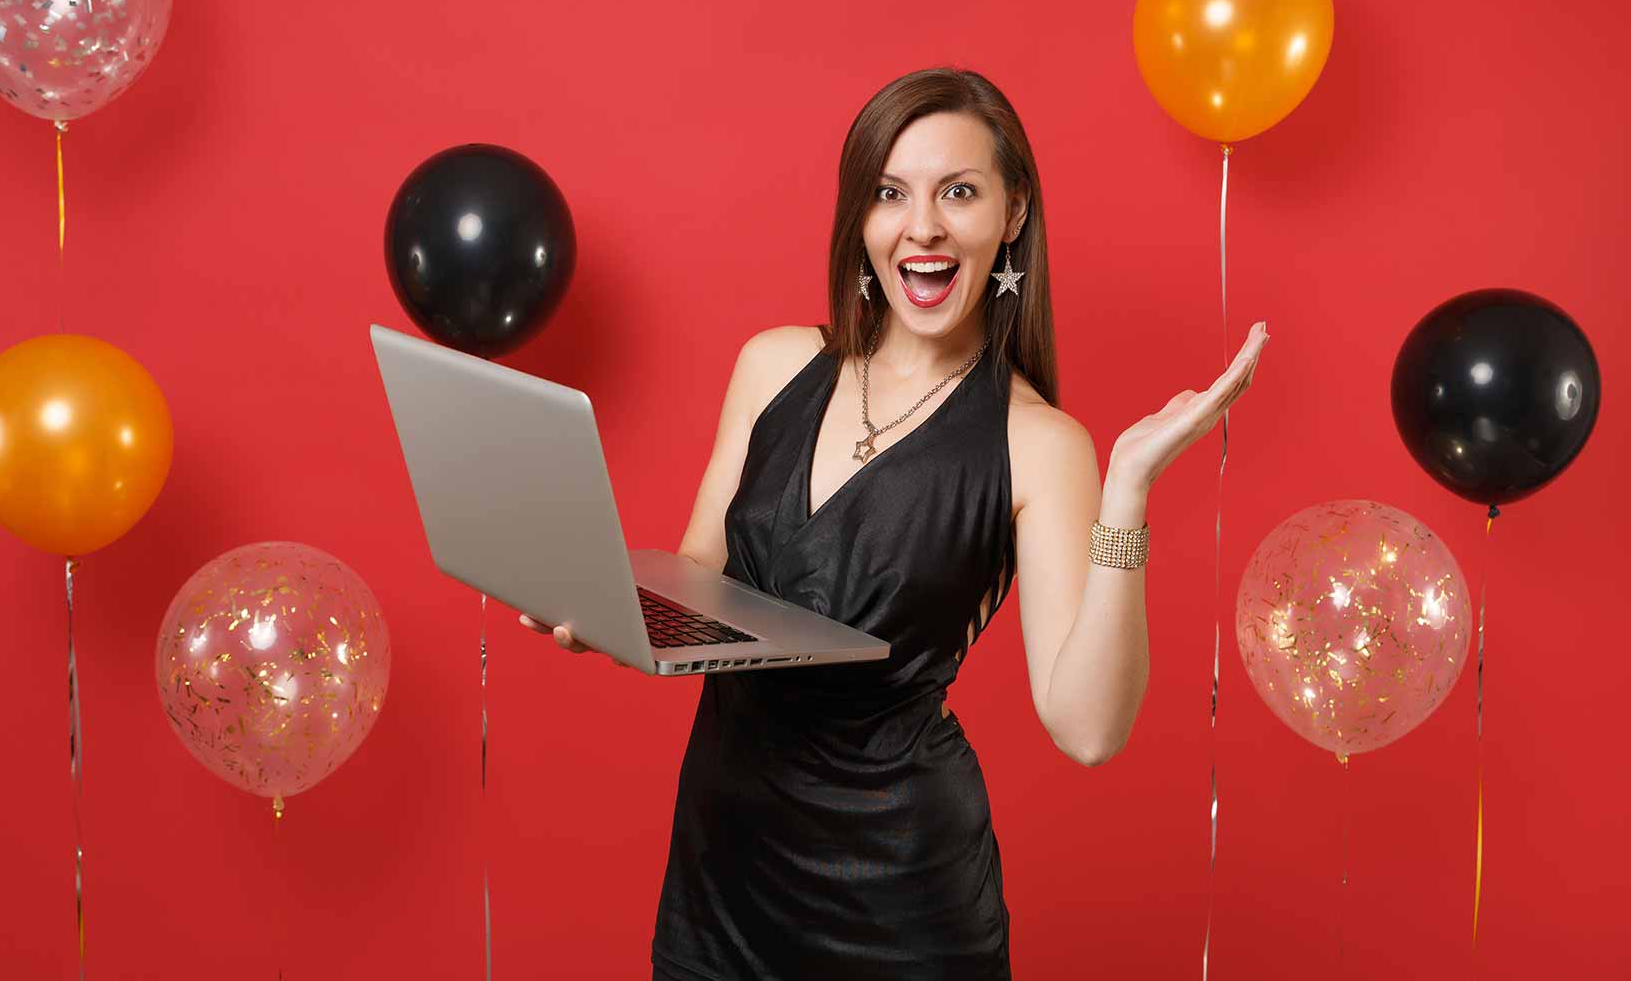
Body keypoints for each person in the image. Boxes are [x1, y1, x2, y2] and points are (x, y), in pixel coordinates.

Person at [519, 66, 1269, 979]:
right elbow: (701, 576)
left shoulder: (1039, 444)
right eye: (890, 193)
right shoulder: (773, 366)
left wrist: (1129, 490)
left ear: (1014, 211)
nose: (923, 226)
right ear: (860, 217)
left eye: (959, 191)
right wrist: (607, 612)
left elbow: (1088, 729)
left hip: (900, 903)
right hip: (721, 873)